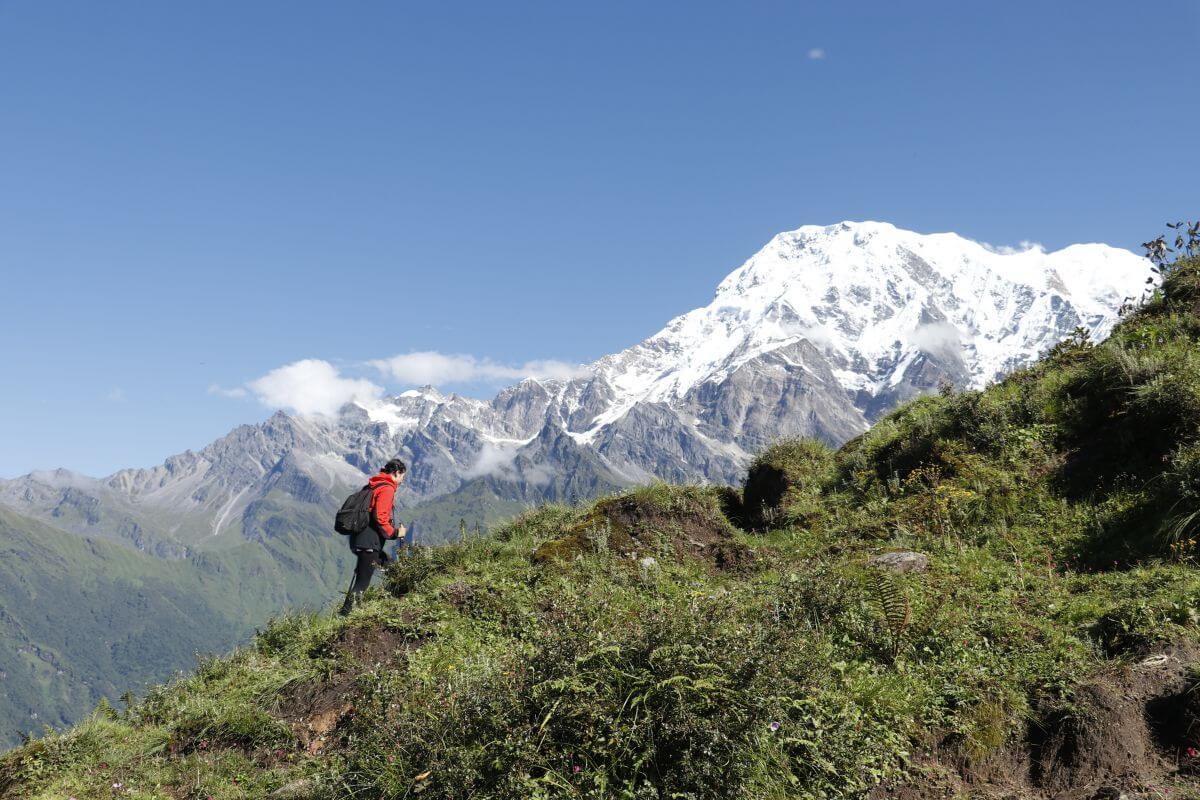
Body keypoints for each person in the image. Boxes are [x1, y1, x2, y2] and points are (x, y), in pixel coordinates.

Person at [339, 458, 407, 615]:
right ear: (396, 473)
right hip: (368, 543)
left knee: (391, 566)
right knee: (362, 583)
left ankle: (398, 599)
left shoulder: (373, 485)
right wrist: (396, 533)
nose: (402, 480)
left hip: (360, 539)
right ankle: (345, 615)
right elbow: (381, 518)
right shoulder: (387, 488)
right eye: (402, 476)